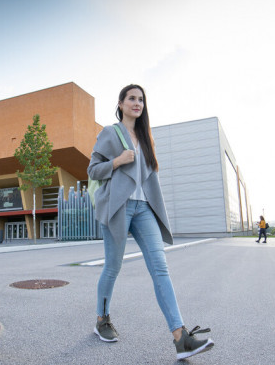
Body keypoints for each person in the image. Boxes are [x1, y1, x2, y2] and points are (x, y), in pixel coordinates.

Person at [87, 84, 214, 360]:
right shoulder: (110, 132)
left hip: (143, 208)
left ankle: (180, 337)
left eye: (141, 99)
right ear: (120, 103)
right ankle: (102, 320)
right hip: (118, 208)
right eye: (132, 98)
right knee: (112, 267)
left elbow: (150, 177)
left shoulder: (146, 136)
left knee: (160, 268)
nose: (137, 103)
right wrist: (118, 161)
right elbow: (93, 169)